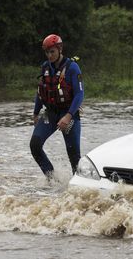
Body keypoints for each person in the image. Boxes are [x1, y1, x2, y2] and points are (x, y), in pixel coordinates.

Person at [30, 34, 84, 181]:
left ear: (60, 49)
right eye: (47, 52)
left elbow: (79, 94)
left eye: (52, 51)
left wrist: (68, 116)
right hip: (51, 114)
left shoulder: (72, 67)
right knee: (35, 145)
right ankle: (52, 180)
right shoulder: (45, 67)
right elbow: (41, 92)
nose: (49, 55)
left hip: (69, 114)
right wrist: (36, 113)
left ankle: (78, 186)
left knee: (74, 157)